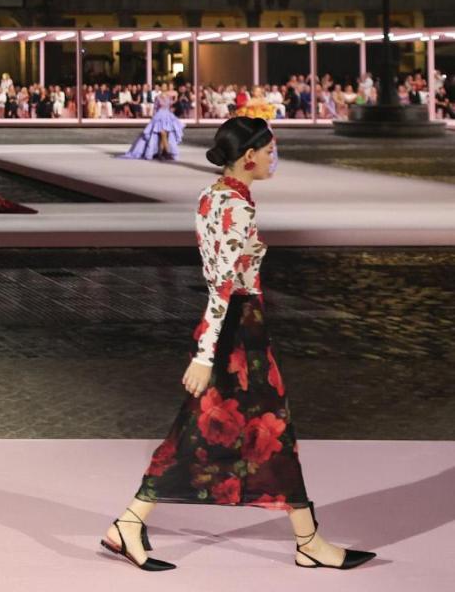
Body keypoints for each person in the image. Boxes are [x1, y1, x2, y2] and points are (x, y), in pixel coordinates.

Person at [103, 118, 374, 572]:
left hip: (235, 325)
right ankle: (307, 542)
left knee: (232, 431)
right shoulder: (237, 207)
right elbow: (223, 286)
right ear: (249, 156)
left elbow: (219, 280)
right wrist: (205, 355)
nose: (273, 158)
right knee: (265, 430)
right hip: (238, 330)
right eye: (269, 151)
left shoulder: (213, 195)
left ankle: (131, 523)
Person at [121, 88, 185, 162]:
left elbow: (175, 96)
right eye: (163, 87)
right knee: (162, 133)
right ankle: (165, 152)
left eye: (165, 87)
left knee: (164, 135)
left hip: (167, 116)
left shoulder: (169, 97)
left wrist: (174, 99)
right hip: (159, 117)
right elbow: (155, 108)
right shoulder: (157, 97)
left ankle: (162, 153)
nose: (164, 89)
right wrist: (153, 118)